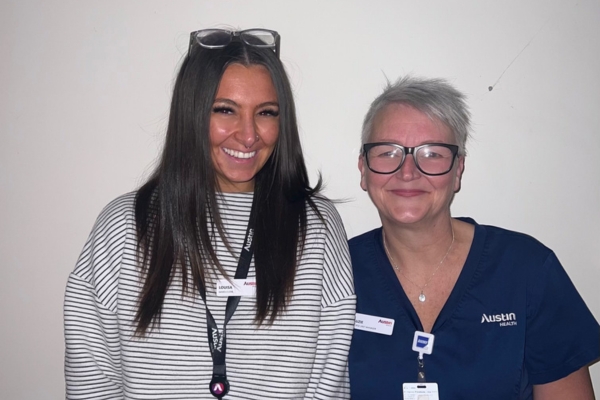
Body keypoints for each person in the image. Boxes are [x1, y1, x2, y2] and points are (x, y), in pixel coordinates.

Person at [64, 28, 355, 400]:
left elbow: (328, 381)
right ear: (192, 114)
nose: (248, 135)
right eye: (225, 110)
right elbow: (93, 376)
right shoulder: (125, 225)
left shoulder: (315, 226)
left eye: (266, 113)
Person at [348, 76, 599, 399]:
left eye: (432, 154)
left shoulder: (526, 269)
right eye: (387, 152)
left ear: (458, 171)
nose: (407, 171)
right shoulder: (333, 272)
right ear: (363, 169)